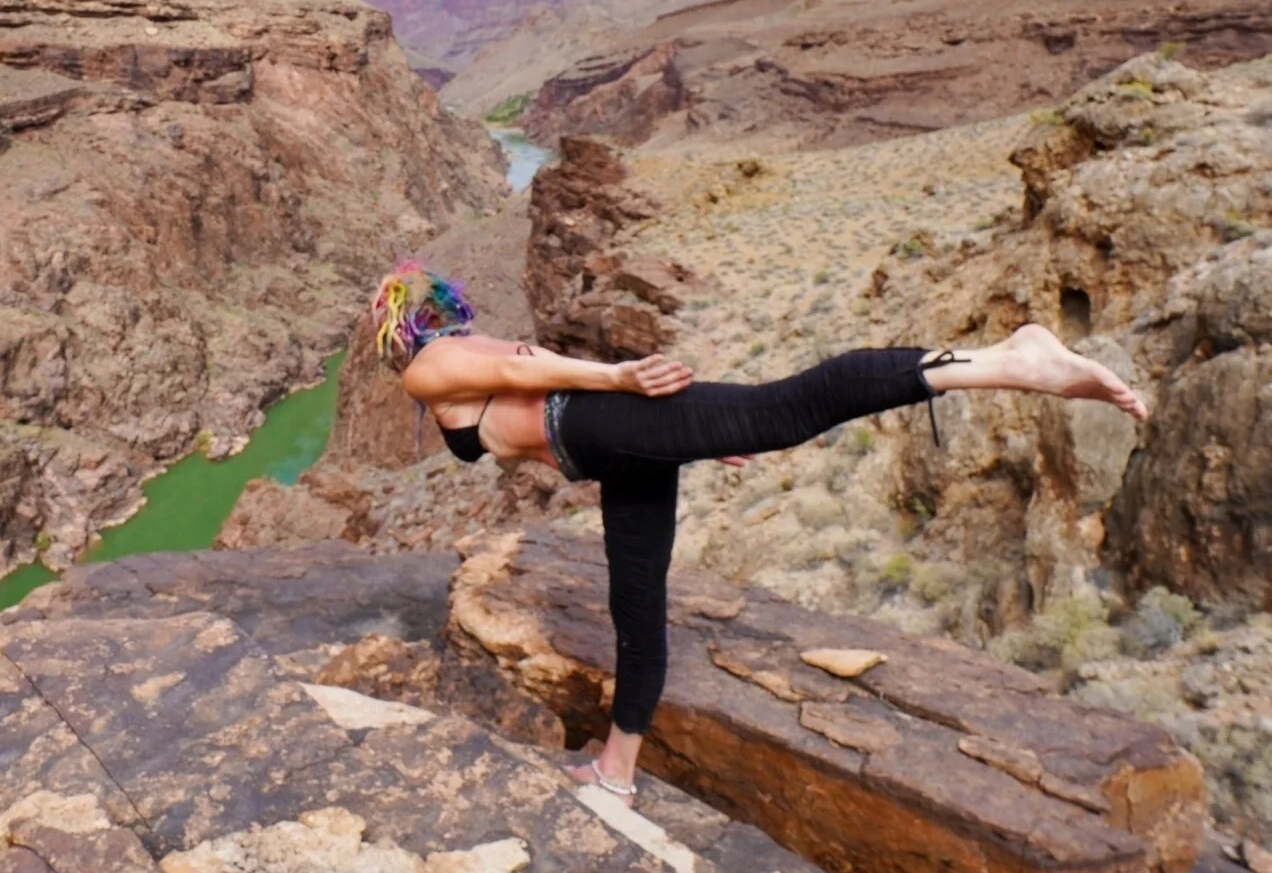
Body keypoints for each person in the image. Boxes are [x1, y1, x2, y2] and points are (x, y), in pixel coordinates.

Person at [373, 262, 1147, 803]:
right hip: (617, 448)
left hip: (601, 424)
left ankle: (1008, 361)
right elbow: (521, 364)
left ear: (400, 328)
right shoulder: (466, 351)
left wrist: (618, 378)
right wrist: (688, 429)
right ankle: (616, 772)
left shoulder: (427, 368)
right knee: (636, 605)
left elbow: (527, 370)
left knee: (784, 410)